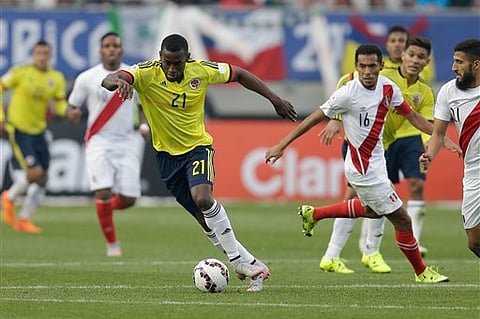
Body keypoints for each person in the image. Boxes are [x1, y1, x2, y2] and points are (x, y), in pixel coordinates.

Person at [101, 33, 297, 291]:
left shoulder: (202, 70)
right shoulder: (147, 73)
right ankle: (254, 266)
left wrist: (275, 99)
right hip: (166, 157)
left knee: (203, 198)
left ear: (187, 59)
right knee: (204, 220)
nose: (171, 68)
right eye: (167, 62)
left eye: (177, 63)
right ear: (160, 58)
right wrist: (118, 81)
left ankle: (237, 261)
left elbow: (240, 74)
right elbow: (112, 78)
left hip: (197, 148)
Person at [265, 43, 450, 283]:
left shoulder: (388, 88)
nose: (367, 71)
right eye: (362, 66)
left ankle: (314, 214)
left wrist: (440, 137)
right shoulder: (347, 93)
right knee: (402, 219)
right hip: (363, 170)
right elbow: (313, 119)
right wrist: (282, 144)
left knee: (373, 212)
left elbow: (413, 116)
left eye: (372, 66)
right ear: (356, 67)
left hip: (377, 163)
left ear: (381, 66)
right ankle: (422, 272)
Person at [318, 36, 438, 274]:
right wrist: (335, 119)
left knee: (386, 197)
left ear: (427, 61)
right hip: (365, 146)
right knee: (364, 198)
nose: (412, 58)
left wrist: (435, 142)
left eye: (419, 55)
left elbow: (422, 120)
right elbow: (346, 90)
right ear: (401, 53)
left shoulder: (421, 89)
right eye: (399, 45)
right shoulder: (376, 73)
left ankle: (371, 251)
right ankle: (336, 253)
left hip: (395, 142)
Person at [67, 32, 150, 257]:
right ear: (100, 50)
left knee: (129, 199)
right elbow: (72, 105)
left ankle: (103, 210)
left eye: (115, 45)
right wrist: (73, 113)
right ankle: (113, 245)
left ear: (122, 50)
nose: (111, 49)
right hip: (99, 140)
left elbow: (144, 109)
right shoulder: (87, 78)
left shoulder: (134, 74)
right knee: (103, 191)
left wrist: (144, 126)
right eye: (107, 46)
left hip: (128, 142)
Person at [0, 40, 80, 233]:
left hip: (40, 131)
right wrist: (1, 117)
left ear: (50, 56)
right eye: (39, 53)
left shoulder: (56, 78)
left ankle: (24, 218)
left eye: (46, 53)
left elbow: (59, 104)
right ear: (33, 54)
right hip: (19, 129)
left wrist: (68, 112)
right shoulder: (20, 72)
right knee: (34, 173)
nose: (42, 57)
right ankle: (9, 198)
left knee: (43, 178)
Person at [420, 38, 480, 258]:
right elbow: (438, 133)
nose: (453, 67)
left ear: (476, 65)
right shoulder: (448, 92)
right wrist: (430, 155)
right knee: (474, 241)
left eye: (459, 62)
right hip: (473, 173)